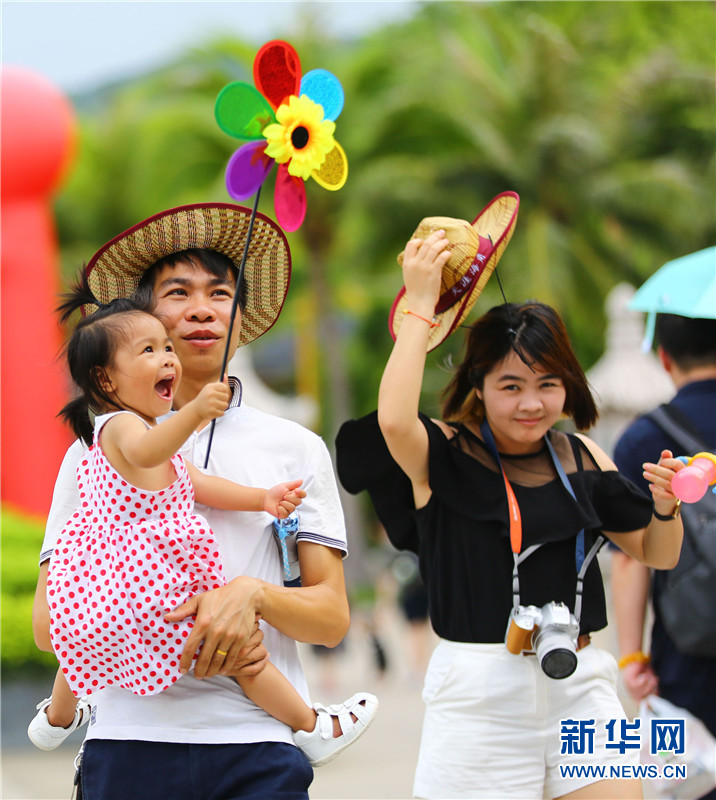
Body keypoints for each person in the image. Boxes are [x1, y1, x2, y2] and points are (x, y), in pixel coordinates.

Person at [32, 203, 371, 800]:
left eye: (220, 293)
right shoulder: (92, 452)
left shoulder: (295, 447)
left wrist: (252, 595)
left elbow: (331, 619)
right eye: (178, 292)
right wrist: (155, 614)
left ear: (240, 320)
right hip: (128, 743)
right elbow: (47, 624)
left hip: (258, 746)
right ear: (144, 317)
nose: (201, 309)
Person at [336, 223, 684, 800]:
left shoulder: (582, 455)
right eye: (511, 386)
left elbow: (656, 553)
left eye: (548, 384)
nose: (532, 403)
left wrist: (666, 509)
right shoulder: (442, 454)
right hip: (480, 695)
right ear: (478, 384)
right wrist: (420, 303)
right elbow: (394, 419)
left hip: (582, 681)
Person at [611, 313, 716, 799]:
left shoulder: (643, 439)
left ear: (665, 357)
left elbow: (630, 558)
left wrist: (633, 655)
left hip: (686, 652)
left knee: (690, 783)